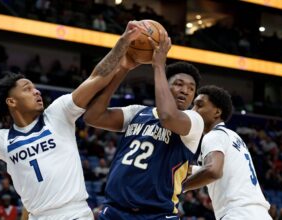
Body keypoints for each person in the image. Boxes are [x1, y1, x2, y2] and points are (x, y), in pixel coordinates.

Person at [0, 21, 145, 220]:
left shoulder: (59, 113)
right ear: (11, 101)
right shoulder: (0, 140)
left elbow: (96, 78)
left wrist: (122, 44)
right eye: (27, 88)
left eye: (34, 87)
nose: (36, 91)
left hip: (76, 214)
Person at [83, 27, 204, 219]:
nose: (186, 91)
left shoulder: (194, 121)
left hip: (157, 214)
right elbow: (93, 116)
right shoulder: (138, 112)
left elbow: (167, 117)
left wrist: (158, 65)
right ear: (165, 83)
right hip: (115, 211)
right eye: (179, 84)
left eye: (191, 88)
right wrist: (124, 69)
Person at [183, 85, 271, 220]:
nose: (193, 110)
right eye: (193, 106)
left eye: (199, 106)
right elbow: (222, 170)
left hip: (238, 214)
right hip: (259, 214)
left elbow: (213, 171)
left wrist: (180, 188)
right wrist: (190, 169)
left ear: (217, 112)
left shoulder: (213, 136)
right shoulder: (232, 136)